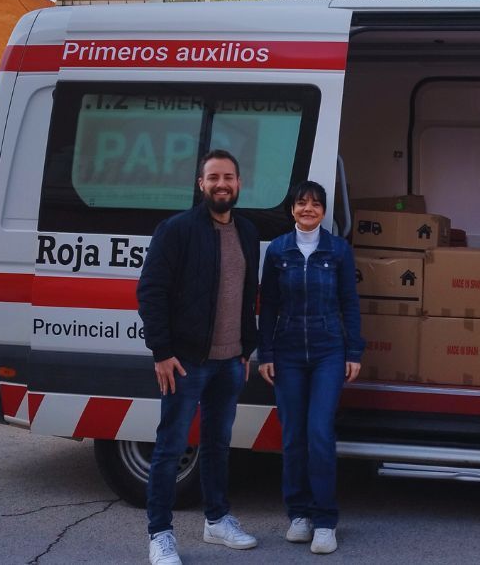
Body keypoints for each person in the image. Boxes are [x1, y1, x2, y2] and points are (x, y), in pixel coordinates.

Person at [137, 149, 260, 565]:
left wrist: (246, 347)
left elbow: (245, 298)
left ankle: (217, 520)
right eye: (213, 177)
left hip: (230, 362)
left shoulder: (246, 232)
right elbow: (150, 291)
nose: (221, 184)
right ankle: (160, 534)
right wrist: (162, 352)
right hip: (186, 361)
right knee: (170, 447)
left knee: (217, 445)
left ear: (238, 184)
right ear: (201, 185)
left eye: (228, 177)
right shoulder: (176, 230)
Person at [257, 180, 364, 556]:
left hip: (328, 353)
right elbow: (268, 304)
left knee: (319, 432)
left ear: (323, 211)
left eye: (315, 204)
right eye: (301, 203)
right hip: (286, 354)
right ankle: (298, 515)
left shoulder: (338, 250)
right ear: (292, 210)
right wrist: (265, 353)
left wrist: (354, 351)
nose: (308, 209)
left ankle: (324, 521)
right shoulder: (277, 250)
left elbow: (349, 303)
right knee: (292, 437)